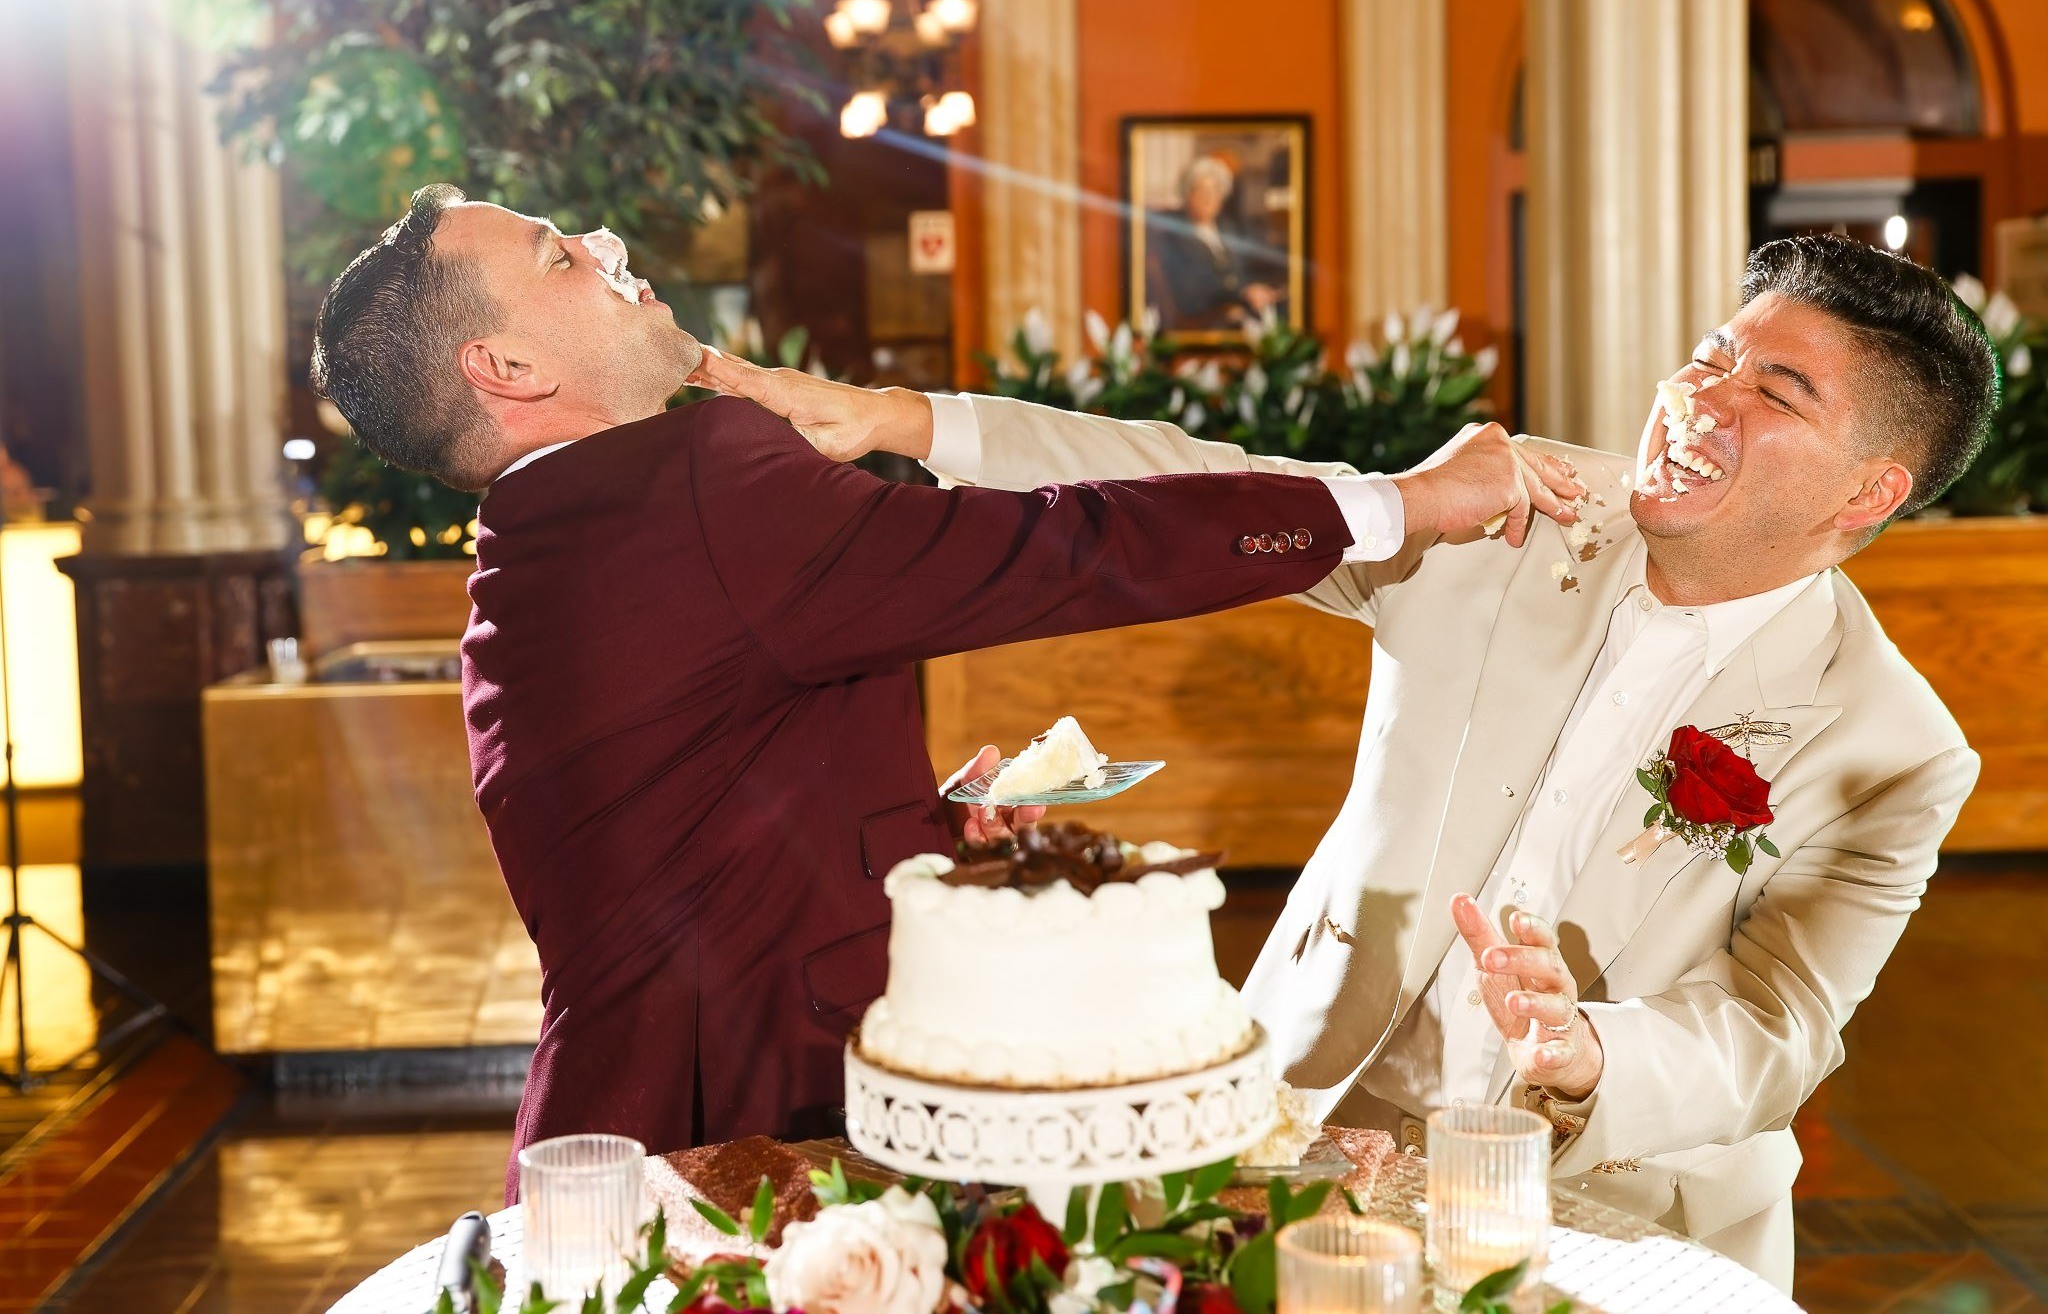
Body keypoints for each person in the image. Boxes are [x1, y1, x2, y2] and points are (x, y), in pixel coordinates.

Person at [696, 233, 1997, 1288]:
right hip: (1311, 1133)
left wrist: (1591, 1047)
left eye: (1776, 393)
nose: (1703, 399)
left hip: (1619, 1208)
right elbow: (1213, 484)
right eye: (1713, 358)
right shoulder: (1513, 510)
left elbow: (1778, 1029)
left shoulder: (1891, 745)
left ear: (1868, 492)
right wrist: (907, 422)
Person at [305, 185, 1586, 1200]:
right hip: (761, 1126)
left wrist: (915, 827)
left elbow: (700, 798)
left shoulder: (540, 541)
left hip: (621, 1110)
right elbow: (1059, 550)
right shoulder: (689, 477)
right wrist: (1396, 506)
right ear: (508, 370)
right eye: (557, 258)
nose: (603, 242)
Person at [1146, 155, 1285, 332]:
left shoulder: (1228, 229)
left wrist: (1256, 289)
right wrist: (1242, 292)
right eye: (1201, 191)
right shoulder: (1175, 235)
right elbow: (1190, 289)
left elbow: (1241, 271)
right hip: (1206, 318)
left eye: (1214, 192)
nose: (1208, 198)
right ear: (1188, 195)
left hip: (1242, 309)